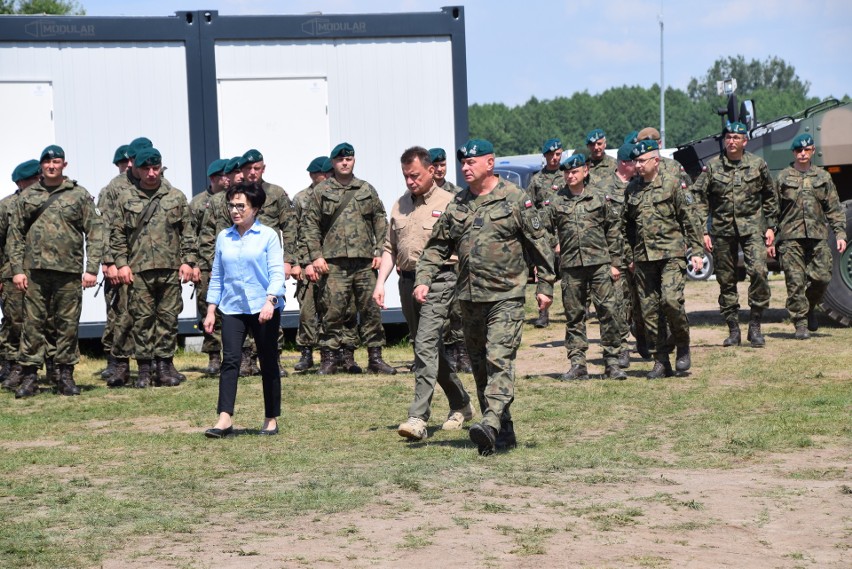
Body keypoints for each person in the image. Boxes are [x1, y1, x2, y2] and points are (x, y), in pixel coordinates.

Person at [414, 139, 556, 456]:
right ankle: (499, 433)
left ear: (490, 163)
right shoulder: (458, 203)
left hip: (506, 295)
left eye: (472, 162)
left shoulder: (514, 198)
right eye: (463, 163)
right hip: (468, 298)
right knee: (480, 368)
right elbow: (437, 245)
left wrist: (545, 285)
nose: (466, 167)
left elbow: (540, 244)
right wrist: (423, 278)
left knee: (499, 361)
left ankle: (489, 422)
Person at [373, 146, 474, 441]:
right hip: (406, 281)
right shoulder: (400, 205)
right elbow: (390, 249)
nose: (410, 181)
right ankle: (461, 403)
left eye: (415, 175)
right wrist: (381, 283)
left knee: (426, 343)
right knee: (425, 346)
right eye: (406, 176)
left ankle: (418, 417)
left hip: (441, 279)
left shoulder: (451, 202)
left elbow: (464, 246)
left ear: (431, 171)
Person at [8, 145, 104, 398]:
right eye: (47, 162)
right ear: (41, 166)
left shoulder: (79, 195)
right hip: (35, 272)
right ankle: (29, 377)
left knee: (67, 325)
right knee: (32, 325)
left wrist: (91, 269)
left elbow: (95, 233)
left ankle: (65, 376)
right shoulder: (28, 197)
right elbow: (15, 235)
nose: (52, 166)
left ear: (64, 165)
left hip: (69, 272)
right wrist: (17, 270)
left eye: (56, 162)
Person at [302, 142, 397, 375]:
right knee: (332, 311)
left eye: (349, 159)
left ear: (354, 161)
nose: (345, 162)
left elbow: (380, 220)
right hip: (333, 263)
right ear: (333, 162)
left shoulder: (366, 189)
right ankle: (329, 358)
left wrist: (379, 251)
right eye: (340, 159)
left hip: (364, 262)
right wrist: (315, 256)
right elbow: (310, 225)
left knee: (370, 310)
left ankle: (375, 357)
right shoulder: (321, 191)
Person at [110, 147, 198, 388]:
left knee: (168, 319)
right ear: (136, 169)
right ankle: (145, 370)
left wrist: (189, 261)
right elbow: (117, 234)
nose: (151, 173)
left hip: (170, 269)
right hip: (138, 270)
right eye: (146, 168)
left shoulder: (175, 196)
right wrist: (121, 264)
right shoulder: (126, 198)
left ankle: (165, 367)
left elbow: (188, 232)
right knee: (142, 320)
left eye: (155, 168)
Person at [203, 182, 286, 438]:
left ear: (255, 208)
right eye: (232, 205)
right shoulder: (223, 237)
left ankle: (270, 418)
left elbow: (276, 273)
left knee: (268, 361)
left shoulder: (268, 236)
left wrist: (270, 301)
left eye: (241, 206)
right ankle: (224, 419)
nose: (235, 211)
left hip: (264, 307)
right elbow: (217, 275)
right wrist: (210, 309)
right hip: (233, 307)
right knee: (230, 361)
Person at [692, 122, 778, 347]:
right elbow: (699, 198)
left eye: (736, 137)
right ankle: (733, 329)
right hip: (721, 230)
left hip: (752, 229)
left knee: (759, 272)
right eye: (728, 137)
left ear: (744, 141)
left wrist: (771, 227)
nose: (731, 141)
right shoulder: (712, 167)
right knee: (726, 280)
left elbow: (770, 195)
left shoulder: (757, 164)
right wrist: (703, 230)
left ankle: (755, 325)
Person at [623, 140, 704, 379]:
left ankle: (683, 344)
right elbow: (625, 227)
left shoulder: (672, 185)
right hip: (644, 258)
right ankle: (661, 361)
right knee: (649, 311)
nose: (636, 165)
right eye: (635, 161)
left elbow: (690, 219)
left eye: (641, 161)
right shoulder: (632, 190)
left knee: (670, 301)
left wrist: (697, 251)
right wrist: (628, 256)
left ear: (655, 161)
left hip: (671, 255)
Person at [548, 154, 626, 380]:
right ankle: (578, 363)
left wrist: (615, 262)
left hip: (600, 264)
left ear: (585, 171)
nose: (570, 175)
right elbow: (544, 228)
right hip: (571, 266)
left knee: (608, 311)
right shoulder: (556, 201)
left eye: (574, 171)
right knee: (575, 315)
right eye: (567, 172)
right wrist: (555, 243)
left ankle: (612, 362)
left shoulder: (600, 197)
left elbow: (613, 229)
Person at [772, 134, 847, 339]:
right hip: (790, 237)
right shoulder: (783, 177)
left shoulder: (823, 177)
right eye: (798, 150)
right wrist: (770, 233)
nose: (802, 153)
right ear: (794, 153)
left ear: (813, 151)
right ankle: (801, 324)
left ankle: (809, 306)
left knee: (822, 278)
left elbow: (833, 208)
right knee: (795, 282)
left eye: (806, 150)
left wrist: (840, 233)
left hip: (817, 236)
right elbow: (772, 209)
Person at [589, 143, 643, 365]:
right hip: (613, 256)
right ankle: (621, 348)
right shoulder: (601, 186)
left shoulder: (640, 186)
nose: (638, 166)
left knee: (640, 301)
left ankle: (643, 337)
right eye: (634, 162)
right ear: (624, 163)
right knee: (616, 303)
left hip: (639, 254)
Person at [0, 160, 40, 392]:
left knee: (46, 320)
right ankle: (13, 365)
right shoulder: (7, 206)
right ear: (21, 182)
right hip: (10, 273)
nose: (38, 181)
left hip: (41, 271)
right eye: (33, 179)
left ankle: (51, 365)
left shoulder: (46, 200)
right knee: (15, 321)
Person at [190, 158, 230, 375]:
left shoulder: (236, 200)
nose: (229, 178)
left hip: (229, 264)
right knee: (208, 310)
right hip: (206, 265)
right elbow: (191, 236)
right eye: (224, 175)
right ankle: (214, 356)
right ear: (214, 178)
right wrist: (194, 264)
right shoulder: (198, 203)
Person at [291, 156, 331, 372]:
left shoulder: (334, 196)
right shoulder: (300, 199)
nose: (325, 178)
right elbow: (295, 234)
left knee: (333, 309)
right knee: (307, 311)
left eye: (328, 174)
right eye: (321, 175)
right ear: (312, 175)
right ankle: (306, 353)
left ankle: (331, 353)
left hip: (330, 262)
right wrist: (299, 263)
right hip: (307, 263)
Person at [525, 137, 565, 329]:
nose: (554, 158)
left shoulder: (567, 176)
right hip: (544, 235)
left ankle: (574, 310)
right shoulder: (537, 180)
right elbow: (529, 206)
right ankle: (543, 312)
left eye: (558, 154)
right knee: (543, 272)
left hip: (566, 233)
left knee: (569, 274)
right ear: (545, 156)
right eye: (551, 155)